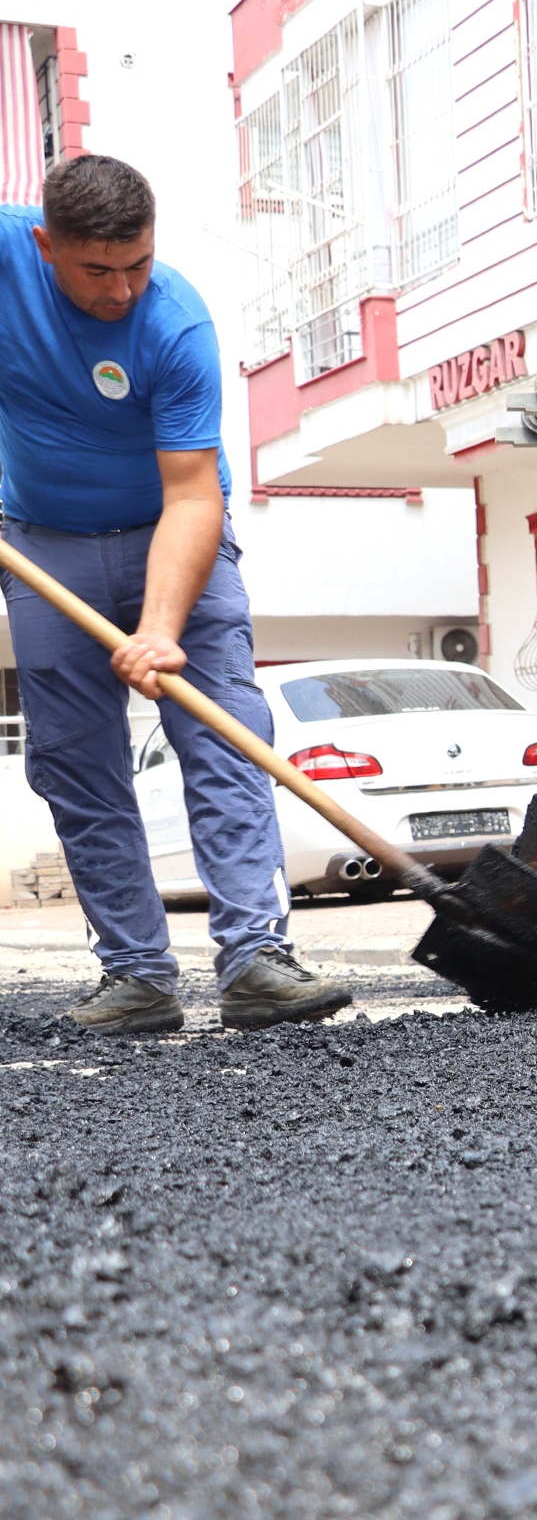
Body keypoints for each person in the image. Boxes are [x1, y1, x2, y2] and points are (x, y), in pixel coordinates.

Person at [0, 155, 350, 1034]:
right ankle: (137, 977)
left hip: (172, 532)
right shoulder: (8, 256)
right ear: (47, 245)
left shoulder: (176, 325)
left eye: (138, 265)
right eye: (97, 271)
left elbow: (195, 495)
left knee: (226, 733)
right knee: (78, 767)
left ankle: (256, 959)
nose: (121, 290)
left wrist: (160, 629)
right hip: (44, 544)